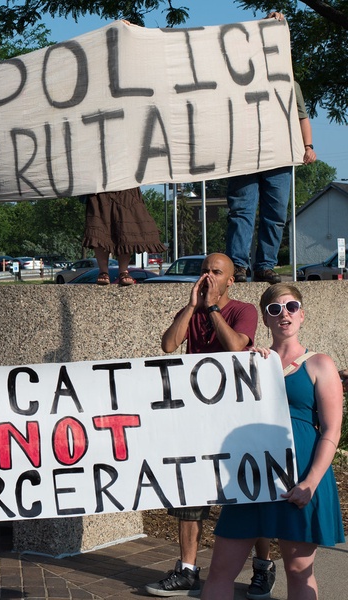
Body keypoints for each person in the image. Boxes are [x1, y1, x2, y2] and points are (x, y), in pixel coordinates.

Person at [201, 284, 345, 600]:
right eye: (274, 309)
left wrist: (310, 482)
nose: (284, 315)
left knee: (298, 572)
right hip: (251, 478)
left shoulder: (320, 364)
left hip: (302, 477)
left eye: (291, 307)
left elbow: (331, 431)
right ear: (265, 320)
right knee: (220, 571)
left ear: (302, 314)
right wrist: (246, 370)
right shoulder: (249, 364)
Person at [145, 253, 261, 597]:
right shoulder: (194, 311)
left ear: (231, 281)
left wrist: (212, 310)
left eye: (216, 272)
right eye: (203, 271)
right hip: (197, 418)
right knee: (190, 495)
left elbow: (237, 348)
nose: (208, 276)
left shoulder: (243, 311)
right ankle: (187, 569)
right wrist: (192, 306)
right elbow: (169, 344)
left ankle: (262, 567)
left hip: (235, 419)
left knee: (247, 495)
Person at [227, 12, 317, 285]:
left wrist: (308, 146)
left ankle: (265, 265)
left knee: (275, 214)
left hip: (279, 158)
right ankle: (238, 266)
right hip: (244, 156)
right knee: (241, 211)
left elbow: (302, 117)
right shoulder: (235, 80)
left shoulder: (291, 85)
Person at [82, 187, 165, 286]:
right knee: (99, 228)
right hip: (99, 184)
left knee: (126, 230)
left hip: (125, 183)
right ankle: (103, 271)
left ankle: (123, 271)